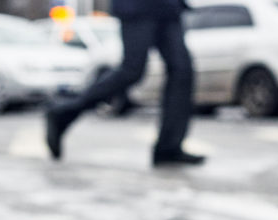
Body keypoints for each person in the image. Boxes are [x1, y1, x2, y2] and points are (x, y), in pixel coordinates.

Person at [44, 0, 204, 167]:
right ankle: (63, 111)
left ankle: (169, 146)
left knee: (182, 70)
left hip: (168, 6)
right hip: (137, 6)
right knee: (132, 70)